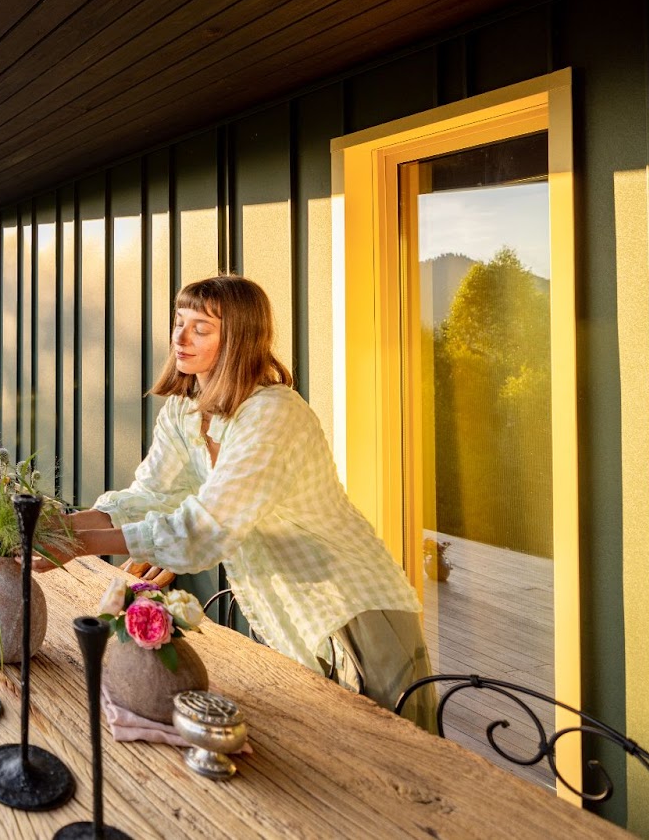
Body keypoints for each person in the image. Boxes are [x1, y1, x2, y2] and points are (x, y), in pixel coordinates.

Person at [56, 274, 434, 729]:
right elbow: (148, 496)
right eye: (179, 321)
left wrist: (78, 546)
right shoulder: (184, 411)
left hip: (351, 606)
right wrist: (60, 529)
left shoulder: (274, 414)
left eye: (201, 327)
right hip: (286, 607)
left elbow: (207, 527)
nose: (180, 336)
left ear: (238, 338)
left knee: (394, 751)